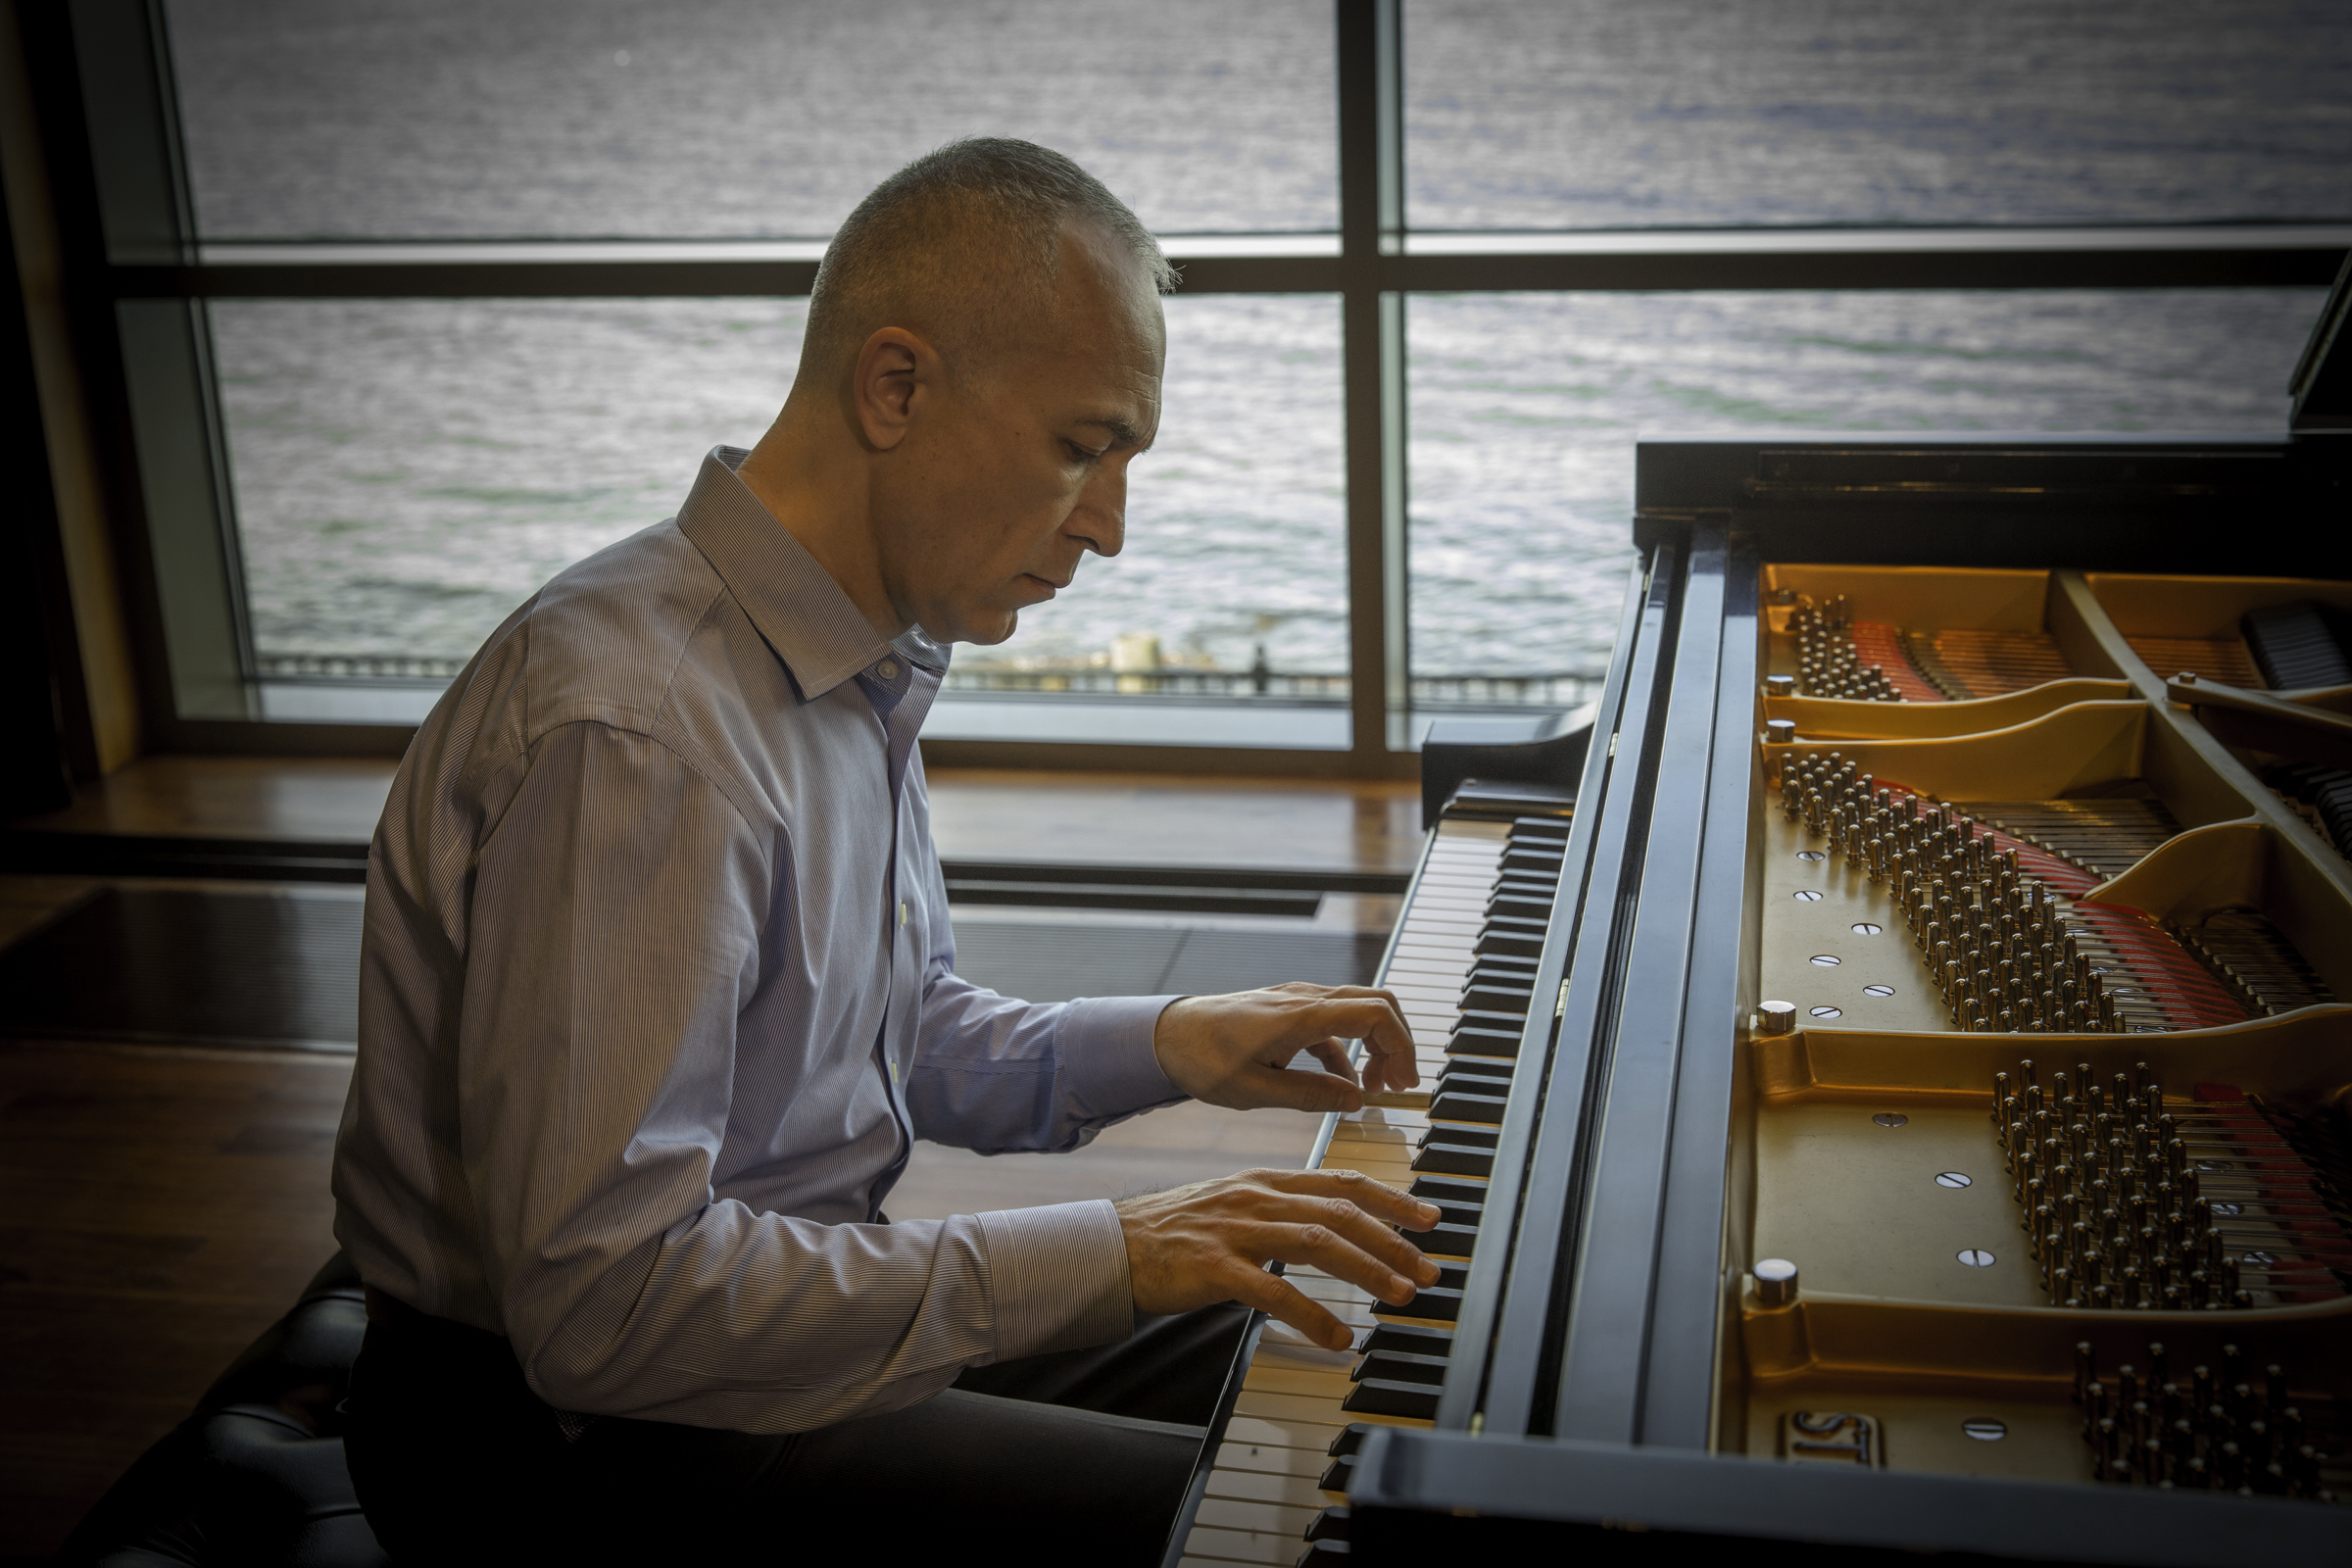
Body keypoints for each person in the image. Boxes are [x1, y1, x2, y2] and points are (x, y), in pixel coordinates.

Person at [332, 138, 1440, 1564]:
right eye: (1082, 446)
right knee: (1303, 1527)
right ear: (896, 386)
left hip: (744, 1339)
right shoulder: (644, 733)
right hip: (575, 1451)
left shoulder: (840, 654)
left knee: (1358, 1339)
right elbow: (612, 1315)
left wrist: (1170, 1041)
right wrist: (1118, 1247)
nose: (1108, 528)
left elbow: (860, 1039)